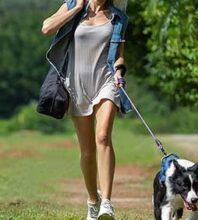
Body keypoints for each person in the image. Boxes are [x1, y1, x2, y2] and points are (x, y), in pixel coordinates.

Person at [41, 0, 131, 219]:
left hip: (106, 81)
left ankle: (107, 203)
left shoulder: (117, 17)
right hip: (77, 84)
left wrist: (119, 70)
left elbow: (119, 53)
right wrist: (75, 10)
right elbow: (47, 28)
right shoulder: (73, 5)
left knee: (103, 137)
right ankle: (93, 200)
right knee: (87, 151)